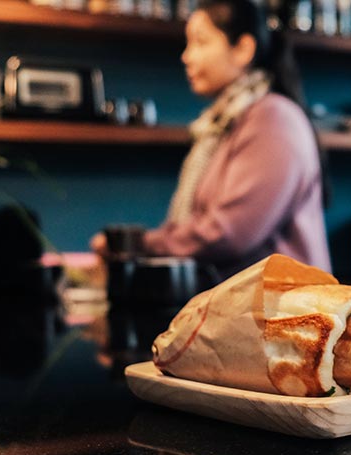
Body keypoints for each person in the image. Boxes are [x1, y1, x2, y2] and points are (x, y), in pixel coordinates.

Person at [91, 0, 331, 278]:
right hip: (249, 311)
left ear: (243, 49)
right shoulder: (225, 125)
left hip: (286, 312)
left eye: (200, 42)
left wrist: (138, 244)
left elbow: (229, 232)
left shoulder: (273, 118)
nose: (186, 56)